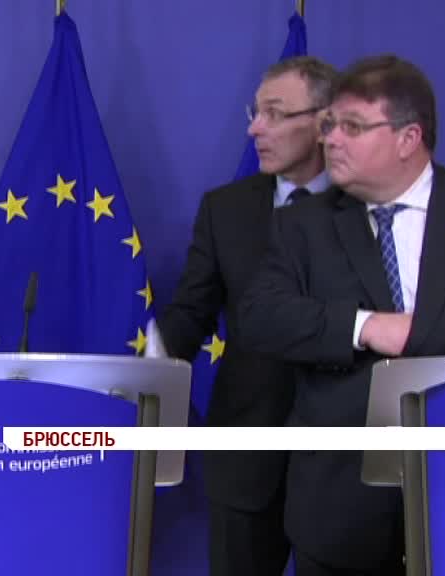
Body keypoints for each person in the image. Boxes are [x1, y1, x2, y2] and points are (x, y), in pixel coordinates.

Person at [238, 54, 445, 575]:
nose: (331, 140)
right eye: (329, 125)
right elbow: (260, 316)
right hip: (341, 512)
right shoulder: (301, 226)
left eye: (352, 126)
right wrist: (366, 326)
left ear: (407, 138)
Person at [146, 56, 338, 576]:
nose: (256, 128)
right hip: (245, 451)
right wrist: (150, 367)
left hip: (342, 459)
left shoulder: (369, 208)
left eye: (275, 113)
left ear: (324, 123)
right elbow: (192, 311)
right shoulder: (225, 209)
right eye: (256, 113)